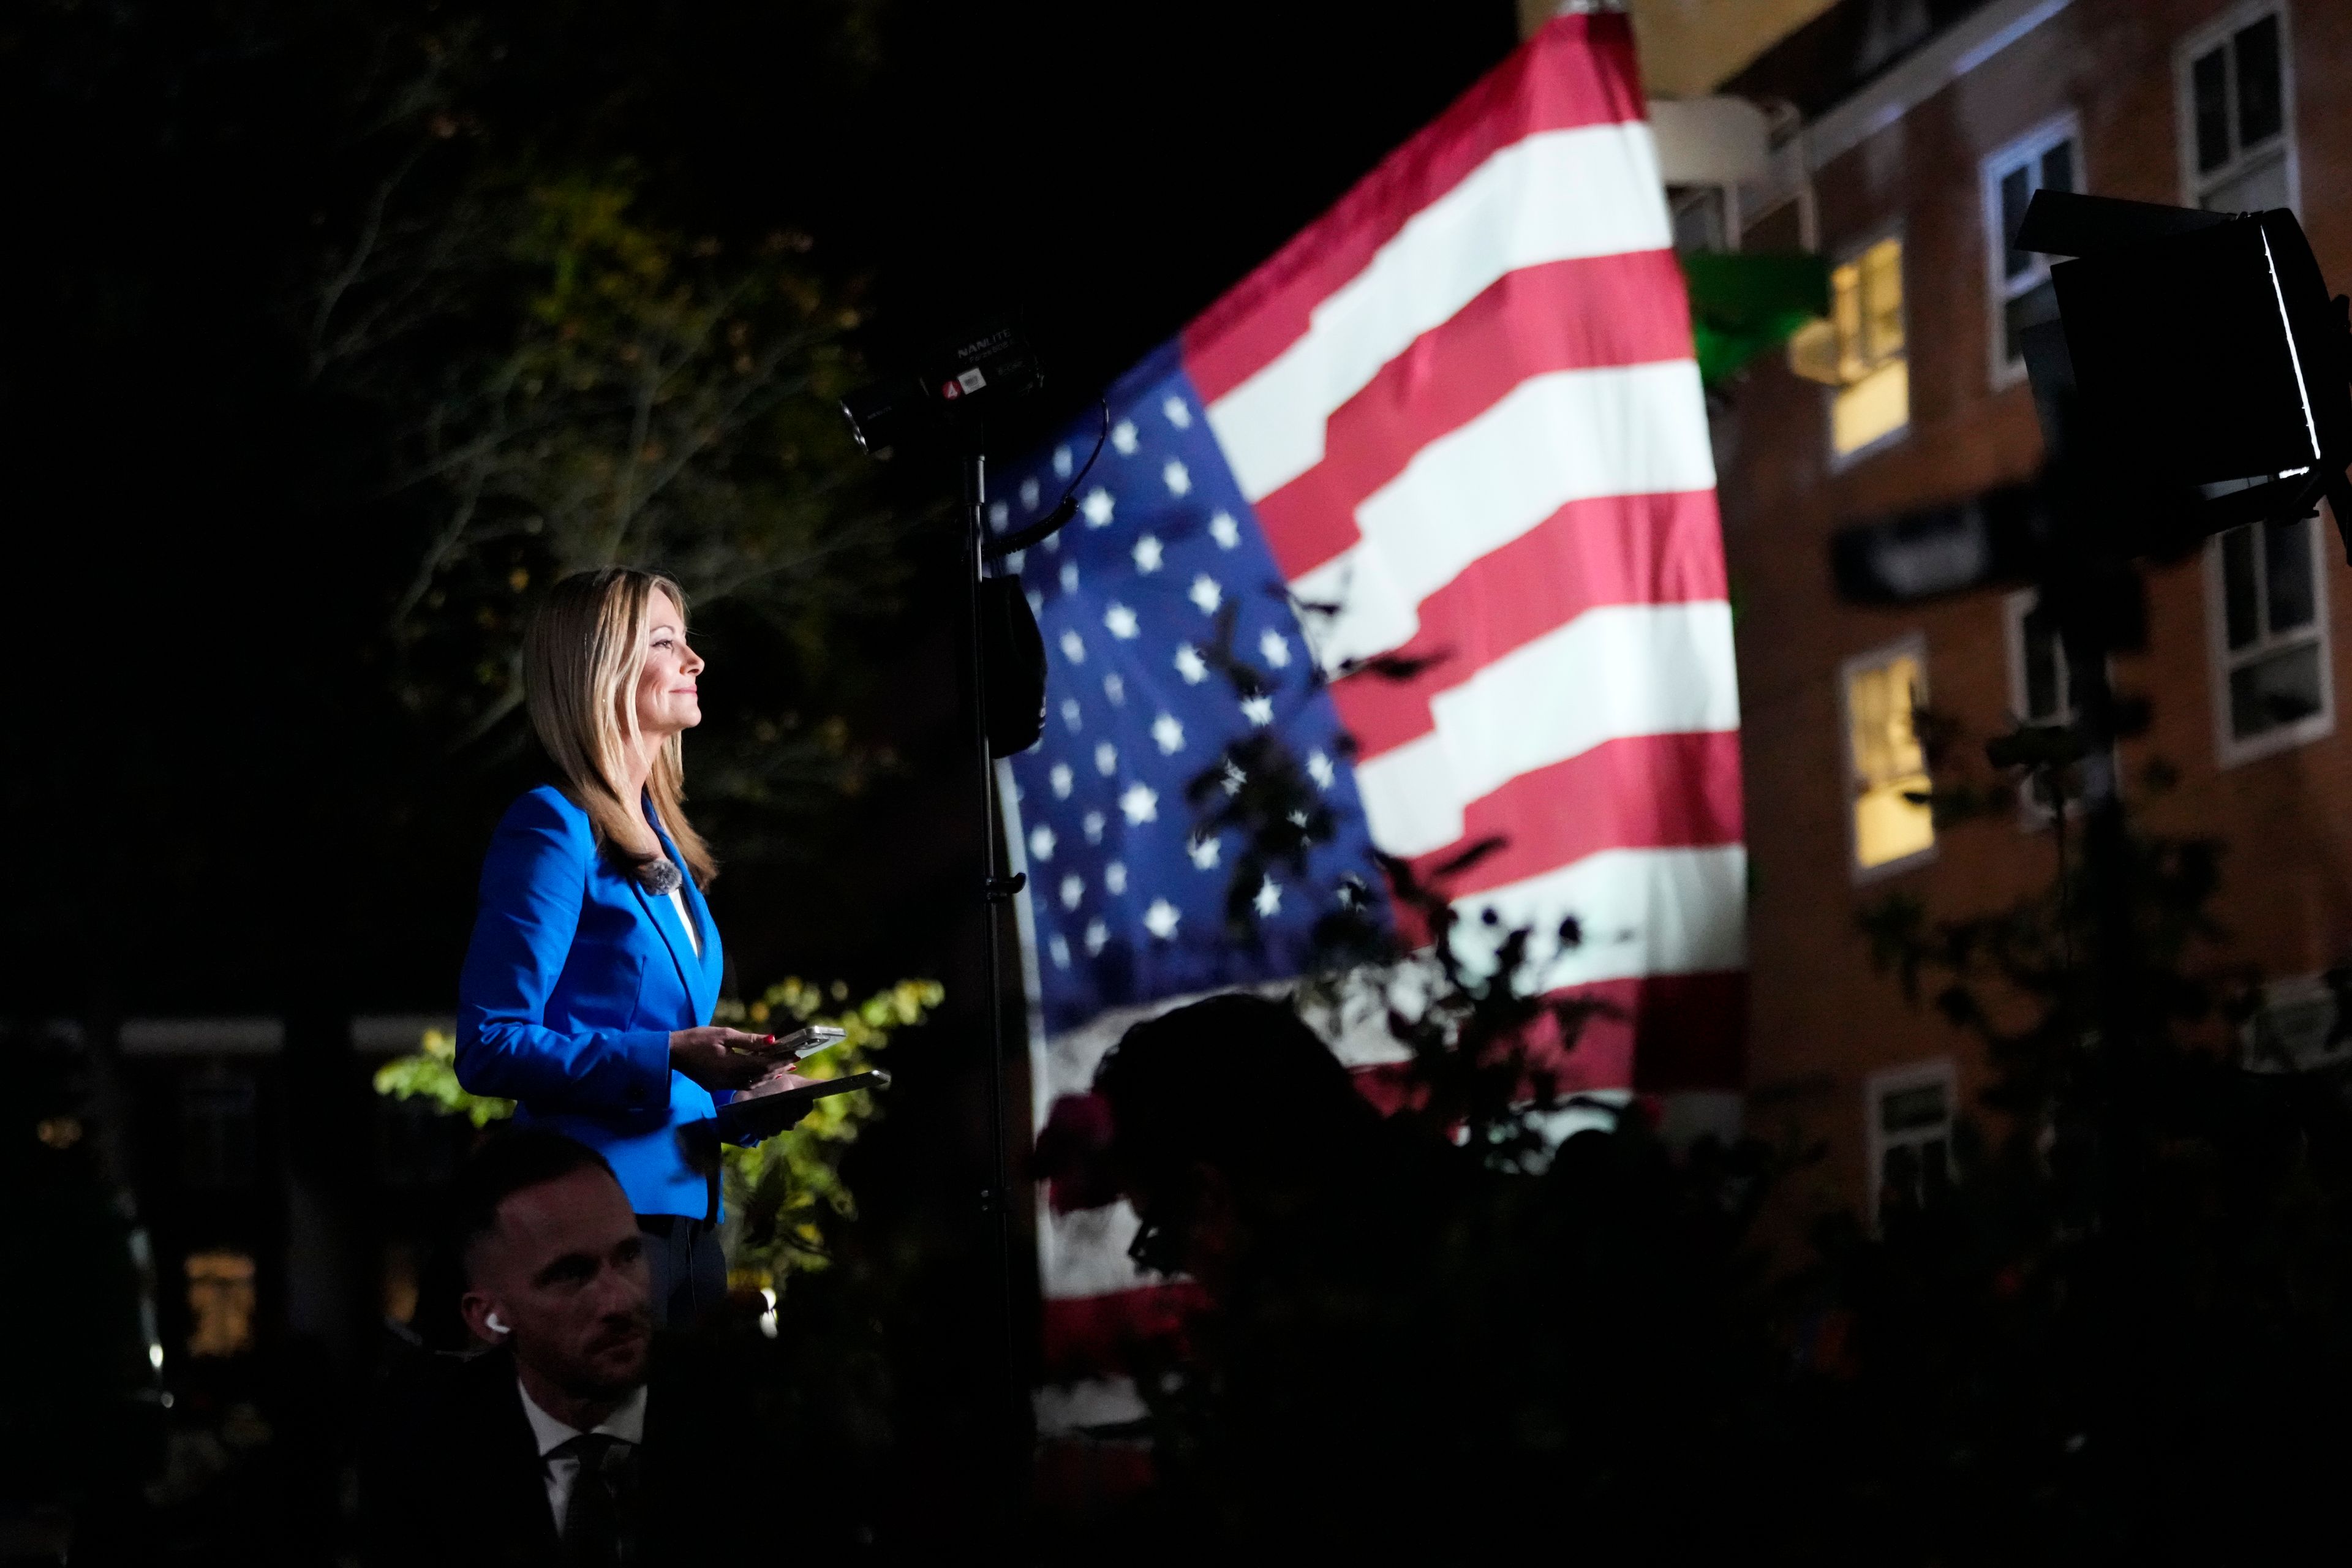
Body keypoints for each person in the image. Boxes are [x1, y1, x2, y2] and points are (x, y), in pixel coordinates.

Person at [456, 567, 797, 1326]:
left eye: (689, 641)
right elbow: (491, 1045)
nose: (694, 661)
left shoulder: (663, 841)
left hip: (689, 1218)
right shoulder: (552, 825)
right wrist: (670, 1052)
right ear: (601, 667)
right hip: (595, 1226)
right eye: (666, 642)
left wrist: (744, 1097)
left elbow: (674, 1066)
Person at [358, 1130, 767, 1565]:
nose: (620, 1301)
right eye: (571, 1274)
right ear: (488, 1317)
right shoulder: (427, 1449)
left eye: (629, 1256)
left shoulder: (746, 1417)